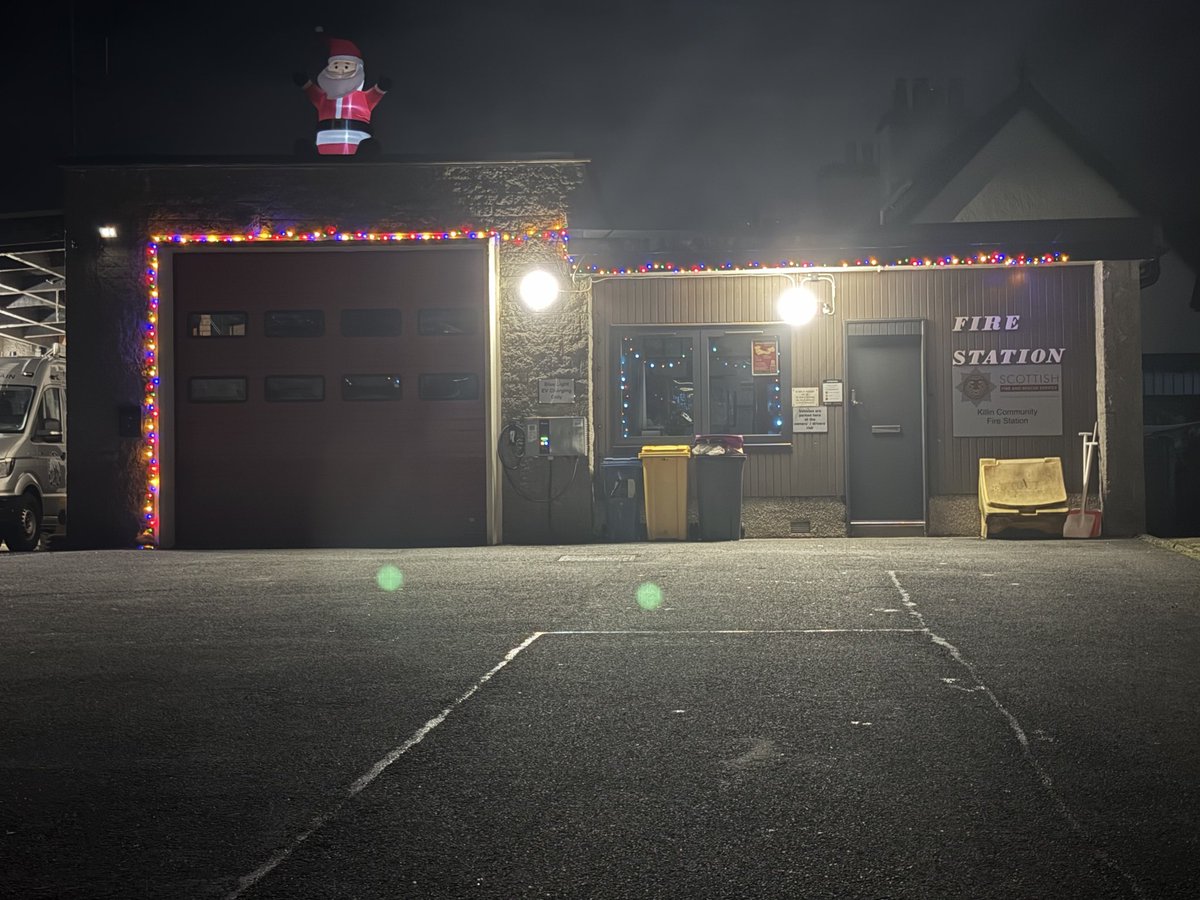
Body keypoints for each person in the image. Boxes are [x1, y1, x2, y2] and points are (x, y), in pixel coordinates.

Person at [294, 38, 389, 156]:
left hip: (357, 142)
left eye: (346, 66)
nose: (340, 71)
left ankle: (366, 157)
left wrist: (381, 87)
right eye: (336, 66)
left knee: (368, 150)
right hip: (325, 142)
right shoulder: (324, 98)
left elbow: (376, 94)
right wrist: (305, 82)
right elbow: (311, 91)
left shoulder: (363, 98)